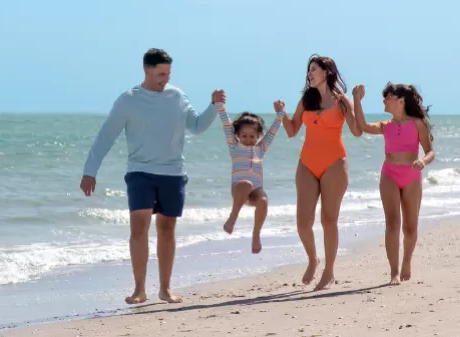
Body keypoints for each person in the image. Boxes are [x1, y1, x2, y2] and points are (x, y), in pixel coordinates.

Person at [79, 48, 226, 304]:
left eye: (168, 73)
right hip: (140, 172)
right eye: (160, 74)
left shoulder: (177, 96)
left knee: (167, 229)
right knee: (139, 227)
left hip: (173, 172)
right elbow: (106, 136)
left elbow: (198, 126)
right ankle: (139, 290)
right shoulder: (128, 100)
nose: (165, 78)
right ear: (146, 70)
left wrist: (214, 106)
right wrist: (90, 171)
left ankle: (165, 289)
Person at [281, 54, 362, 291]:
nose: (309, 73)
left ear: (326, 72)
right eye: (308, 70)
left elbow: (356, 131)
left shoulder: (341, 101)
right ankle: (313, 259)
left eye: (313, 69)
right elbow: (293, 130)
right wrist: (281, 114)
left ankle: (329, 271)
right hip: (307, 163)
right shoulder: (306, 100)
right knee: (303, 222)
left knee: (329, 220)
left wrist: (357, 100)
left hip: (335, 163)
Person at [352, 83, 435, 285]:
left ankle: (407, 261)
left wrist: (422, 161)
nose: (384, 101)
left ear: (400, 100)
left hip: (412, 176)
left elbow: (430, 151)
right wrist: (356, 100)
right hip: (389, 173)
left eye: (387, 97)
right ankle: (394, 272)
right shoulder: (385, 126)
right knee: (392, 223)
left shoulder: (418, 123)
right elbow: (362, 126)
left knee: (410, 228)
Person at [217, 101, 286, 254]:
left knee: (264, 201)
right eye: (244, 136)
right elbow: (227, 125)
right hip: (239, 188)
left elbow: (273, 132)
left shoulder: (261, 148)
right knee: (246, 184)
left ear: (258, 135)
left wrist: (280, 114)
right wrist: (220, 105)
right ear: (237, 135)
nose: (248, 139)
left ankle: (256, 235)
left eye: (252, 136)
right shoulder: (234, 146)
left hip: (256, 190)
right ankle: (233, 218)